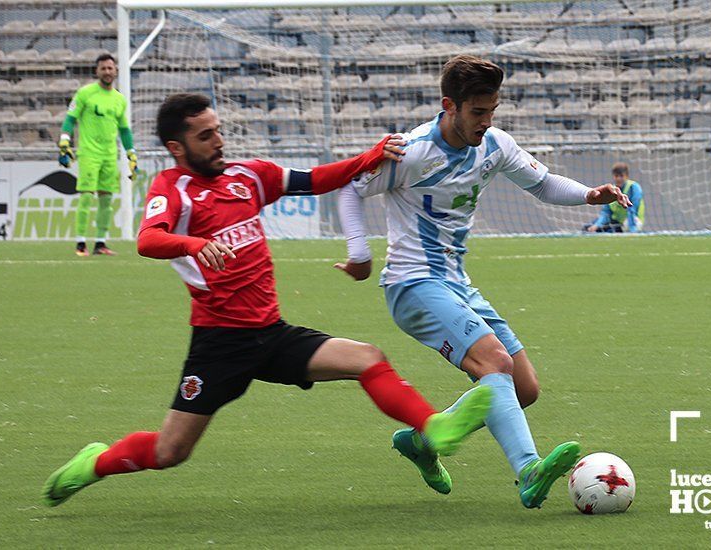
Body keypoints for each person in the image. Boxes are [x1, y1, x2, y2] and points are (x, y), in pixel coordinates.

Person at [42, 93, 493, 507]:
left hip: (272, 334)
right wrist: (193, 244)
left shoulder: (248, 176)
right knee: (169, 451)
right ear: (177, 148)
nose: (218, 141)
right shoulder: (172, 188)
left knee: (367, 358)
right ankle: (94, 463)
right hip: (219, 346)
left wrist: (366, 158)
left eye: (218, 130)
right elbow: (148, 239)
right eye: (205, 136)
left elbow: (316, 179)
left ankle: (434, 429)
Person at [335, 55, 632, 506]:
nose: (487, 121)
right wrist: (359, 254)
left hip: (456, 280)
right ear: (449, 105)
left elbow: (543, 183)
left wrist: (590, 195)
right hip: (412, 283)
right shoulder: (411, 151)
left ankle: (422, 443)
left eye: (493, 110)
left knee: (523, 389)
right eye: (478, 112)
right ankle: (529, 469)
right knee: (496, 364)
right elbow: (350, 188)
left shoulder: (494, 143)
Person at [58, 53, 138, 256]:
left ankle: (100, 243)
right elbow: (70, 118)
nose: (107, 72)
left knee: (107, 200)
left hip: (110, 155)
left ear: (116, 71)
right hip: (89, 153)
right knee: (86, 196)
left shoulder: (119, 99)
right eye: (103, 68)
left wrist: (131, 153)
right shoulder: (85, 93)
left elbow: (124, 130)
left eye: (110, 68)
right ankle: (80, 243)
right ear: (97, 71)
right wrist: (65, 140)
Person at [584, 162, 645, 233]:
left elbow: (632, 210)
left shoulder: (633, 188)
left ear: (627, 176)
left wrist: (632, 230)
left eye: (621, 176)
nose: (618, 179)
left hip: (632, 222)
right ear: (613, 176)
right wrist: (597, 225)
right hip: (615, 222)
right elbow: (606, 213)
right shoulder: (610, 190)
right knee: (587, 228)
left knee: (609, 231)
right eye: (616, 176)